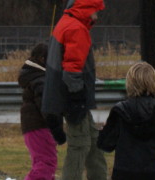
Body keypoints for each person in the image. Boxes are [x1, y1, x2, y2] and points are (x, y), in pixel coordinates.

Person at [41, 0, 108, 179]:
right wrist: (77, 98)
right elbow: (72, 70)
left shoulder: (66, 22)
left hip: (68, 97)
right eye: (96, 10)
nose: (97, 15)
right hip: (72, 98)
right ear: (87, 9)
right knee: (79, 145)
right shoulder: (77, 29)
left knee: (93, 142)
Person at [98, 63, 155, 180]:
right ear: (154, 82)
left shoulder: (120, 111)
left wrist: (104, 130)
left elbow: (105, 145)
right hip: (154, 172)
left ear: (129, 82)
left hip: (124, 172)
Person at [18, 44, 66, 180]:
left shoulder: (36, 77)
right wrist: (57, 130)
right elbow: (47, 108)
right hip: (40, 127)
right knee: (46, 163)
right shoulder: (41, 80)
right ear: (43, 59)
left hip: (34, 127)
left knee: (42, 164)